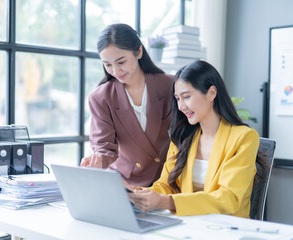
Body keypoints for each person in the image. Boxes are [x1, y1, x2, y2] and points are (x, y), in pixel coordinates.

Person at [127, 60, 260, 218]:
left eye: (186, 97)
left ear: (211, 93)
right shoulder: (182, 138)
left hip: (225, 228)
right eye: (177, 99)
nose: (181, 106)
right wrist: (134, 192)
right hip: (188, 224)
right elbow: (166, 186)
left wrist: (168, 202)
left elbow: (228, 198)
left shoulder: (244, 137)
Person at [80, 23, 174, 187]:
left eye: (121, 62)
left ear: (138, 52)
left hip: (166, 180)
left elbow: (185, 136)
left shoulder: (169, 85)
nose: (116, 71)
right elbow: (104, 147)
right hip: (125, 183)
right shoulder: (101, 97)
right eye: (108, 65)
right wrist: (98, 159)